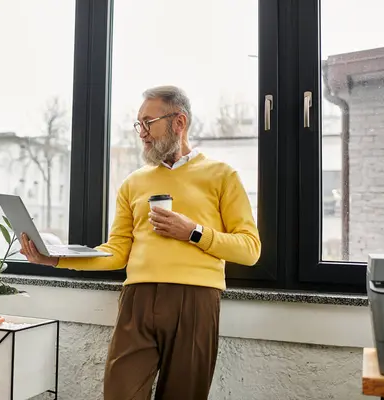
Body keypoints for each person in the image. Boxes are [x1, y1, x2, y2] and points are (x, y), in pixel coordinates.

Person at [19, 85, 261, 400]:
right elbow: (116, 253)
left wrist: (193, 231)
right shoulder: (133, 183)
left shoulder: (222, 175)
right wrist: (55, 259)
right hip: (138, 300)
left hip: (196, 301)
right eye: (139, 124)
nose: (142, 133)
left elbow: (250, 249)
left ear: (179, 122)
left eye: (149, 122)